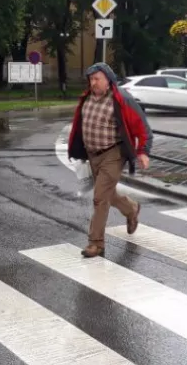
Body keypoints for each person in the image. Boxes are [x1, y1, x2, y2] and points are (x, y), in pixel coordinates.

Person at [67, 63, 152, 258]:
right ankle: (131, 209)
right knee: (107, 194)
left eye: (97, 78)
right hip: (92, 154)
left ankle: (96, 243)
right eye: (91, 79)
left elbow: (142, 126)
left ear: (108, 80)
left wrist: (143, 151)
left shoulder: (121, 99)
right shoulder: (87, 97)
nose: (93, 82)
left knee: (99, 198)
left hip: (113, 153)